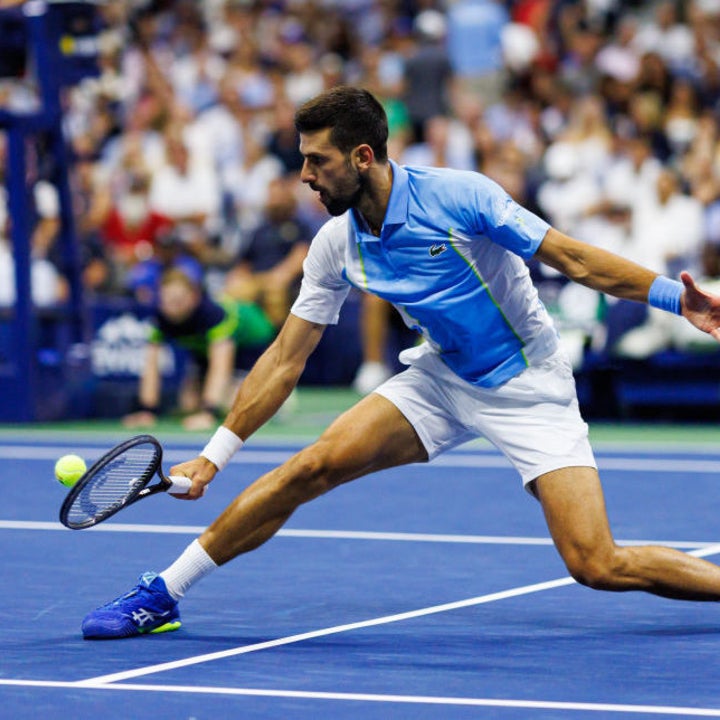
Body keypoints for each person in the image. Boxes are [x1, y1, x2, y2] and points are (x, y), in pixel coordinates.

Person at [82, 87, 720, 639]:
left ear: (362, 157)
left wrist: (676, 298)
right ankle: (162, 594)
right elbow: (284, 359)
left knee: (595, 563)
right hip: (441, 379)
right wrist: (214, 456)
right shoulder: (335, 244)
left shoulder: (461, 196)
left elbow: (573, 258)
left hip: (529, 384)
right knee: (310, 466)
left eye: (317, 161)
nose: (304, 176)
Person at [123, 266, 276, 432]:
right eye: (166, 300)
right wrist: (147, 410)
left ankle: (278, 398)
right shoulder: (160, 318)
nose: (172, 308)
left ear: (194, 297)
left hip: (252, 344)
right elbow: (151, 367)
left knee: (232, 407)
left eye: (178, 300)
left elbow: (220, 366)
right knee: (188, 405)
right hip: (204, 350)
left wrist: (208, 412)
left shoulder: (214, 314)